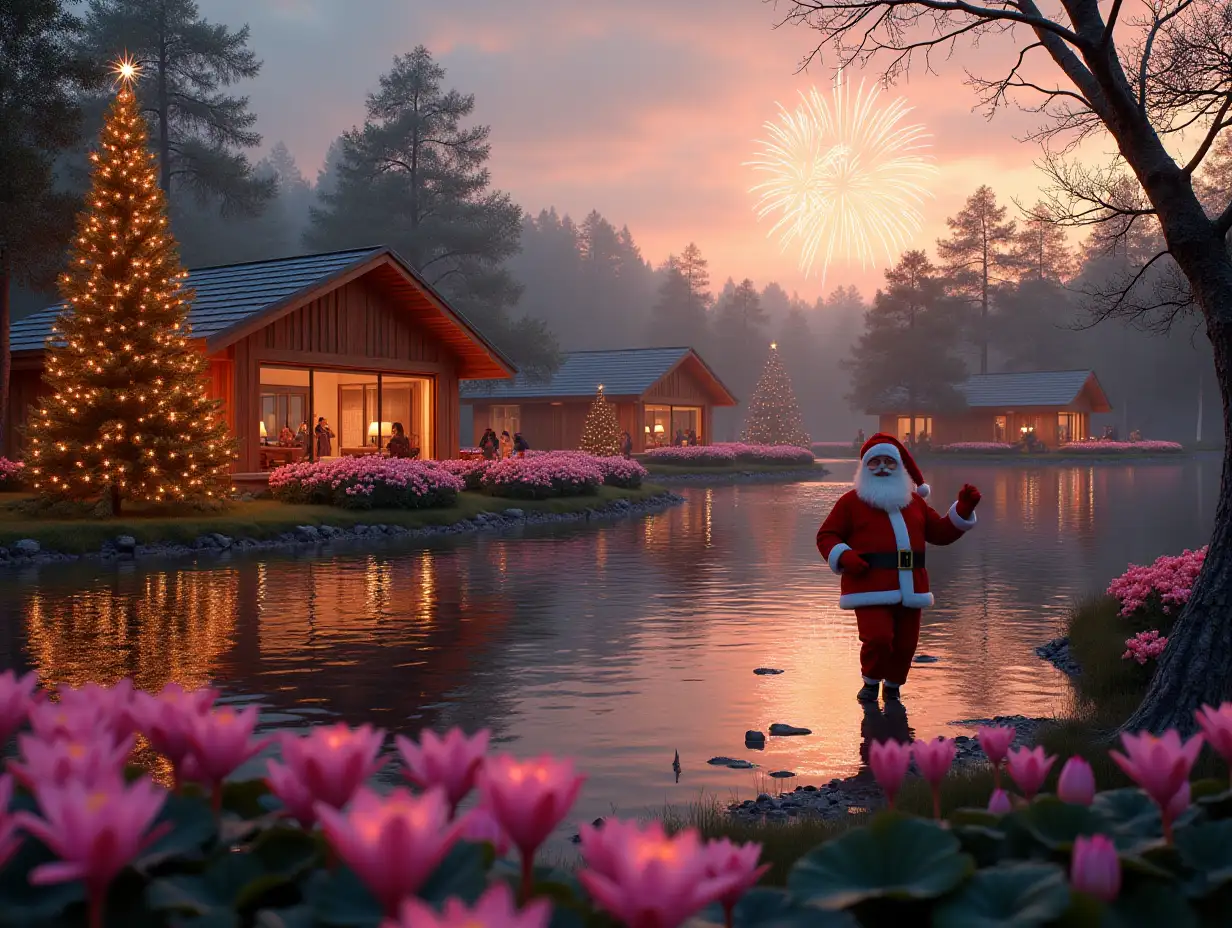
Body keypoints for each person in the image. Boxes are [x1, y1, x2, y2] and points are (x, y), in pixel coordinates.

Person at [815, 433, 981, 704]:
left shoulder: (915, 503)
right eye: (875, 462)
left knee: (906, 646)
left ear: (900, 468)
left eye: (889, 462)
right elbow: (826, 536)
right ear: (865, 468)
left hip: (912, 587)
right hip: (869, 585)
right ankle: (870, 682)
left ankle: (893, 688)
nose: (882, 467)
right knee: (878, 638)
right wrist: (844, 555)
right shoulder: (850, 502)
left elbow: (939, 533)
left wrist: (962, 511)